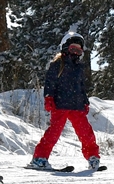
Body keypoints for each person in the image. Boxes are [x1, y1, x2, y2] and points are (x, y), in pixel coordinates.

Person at [28, 32, 101, 171]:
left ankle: (93, 157)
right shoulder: (57, 64)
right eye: (73, 49)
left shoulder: (79, 68)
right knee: (53, 133)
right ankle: (40, 158)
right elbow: (50, 83)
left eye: (79, 50)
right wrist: (49, 98)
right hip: (60, 104)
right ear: (65, 48)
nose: (75, 53)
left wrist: (85, 102)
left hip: (77, 106)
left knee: (86, 133)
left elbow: (81, 87)